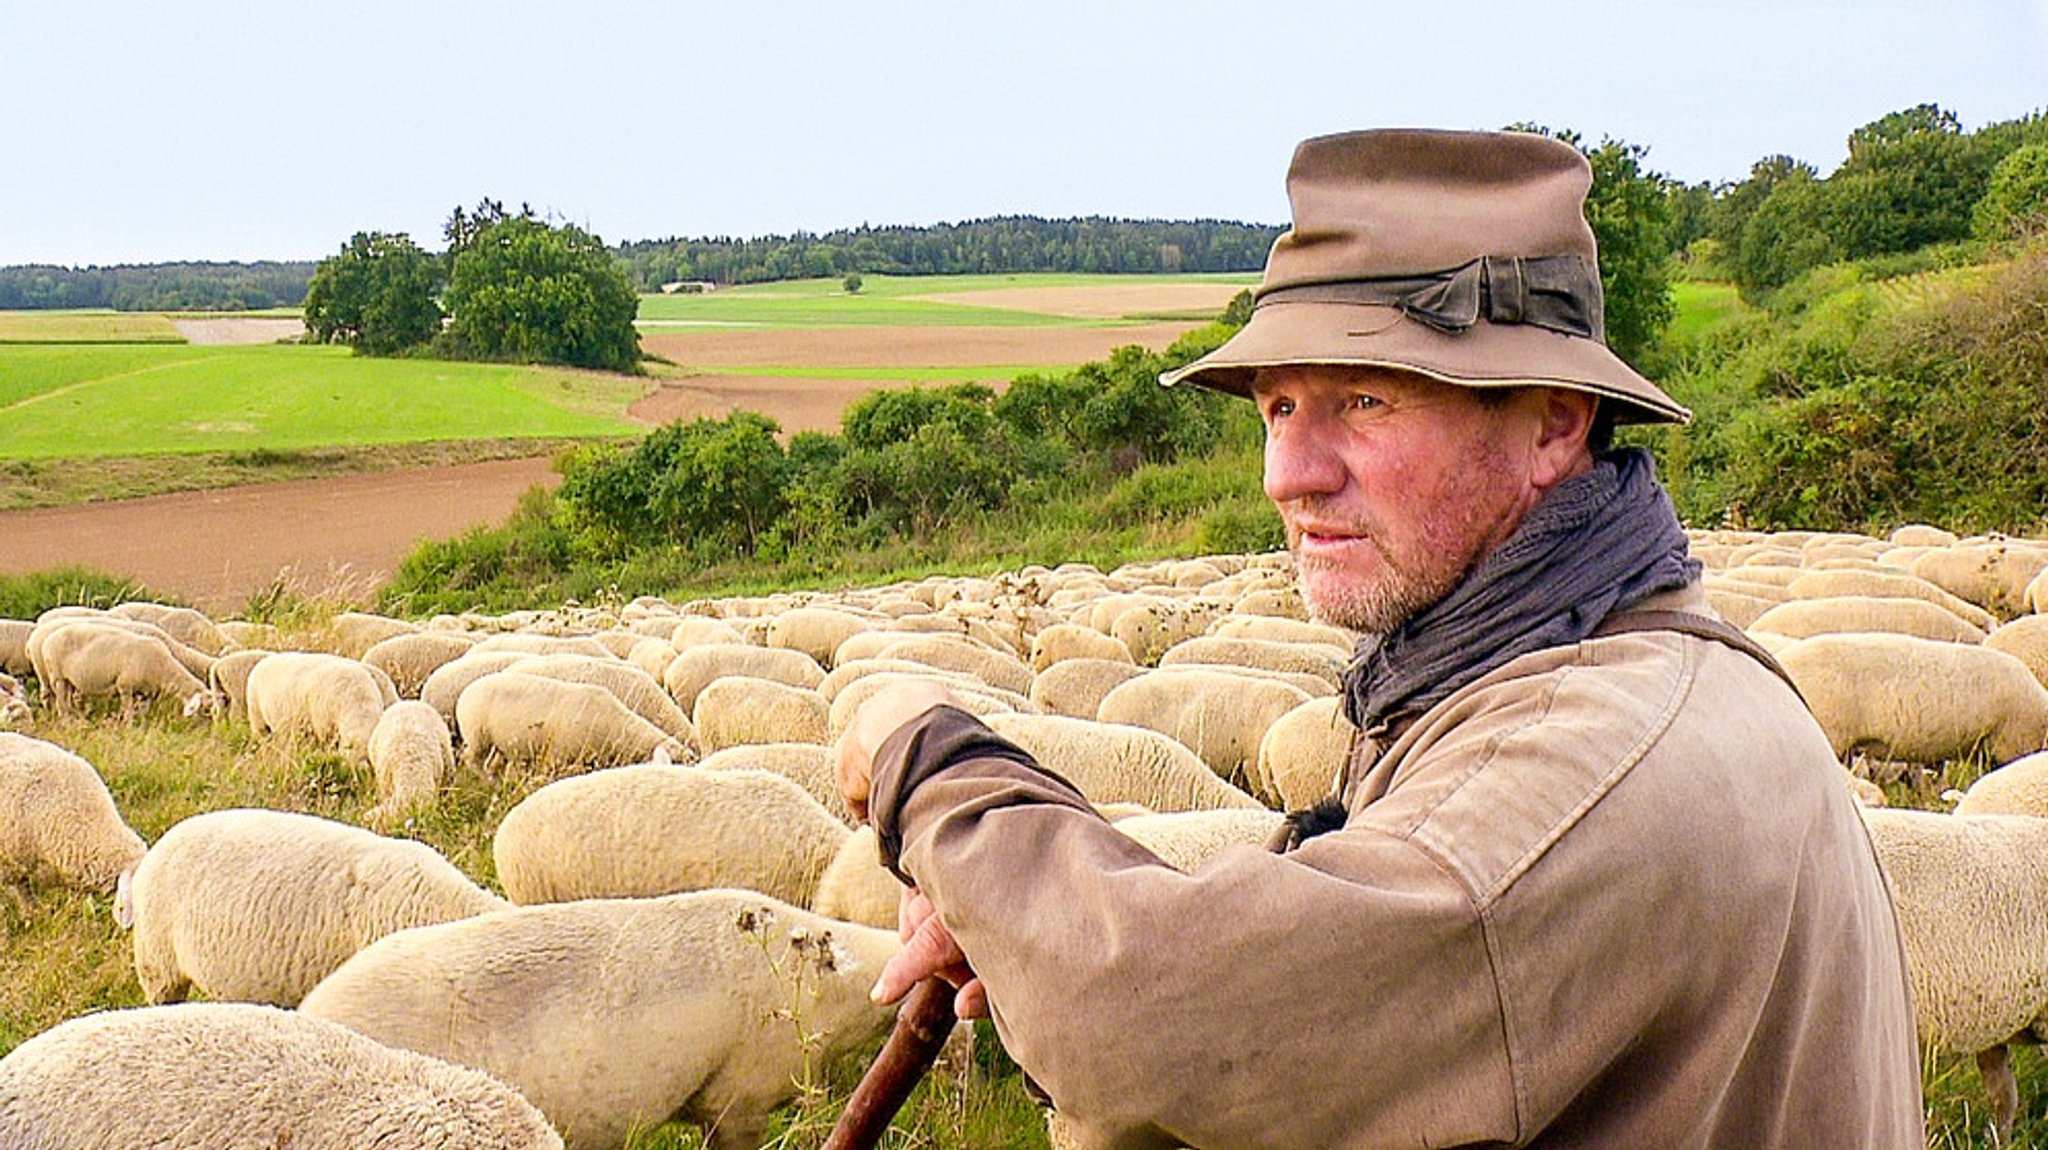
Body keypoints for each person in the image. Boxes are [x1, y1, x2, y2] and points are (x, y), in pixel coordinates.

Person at [834, 128, 1922, 1149]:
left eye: (1361, 400)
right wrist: (1031, 925)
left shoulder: (1576, 761)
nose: (1287, 476)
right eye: (1276, 408)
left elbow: (1142, 1018)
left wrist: (925, 764)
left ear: (1551, 419)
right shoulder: (1630, 663)